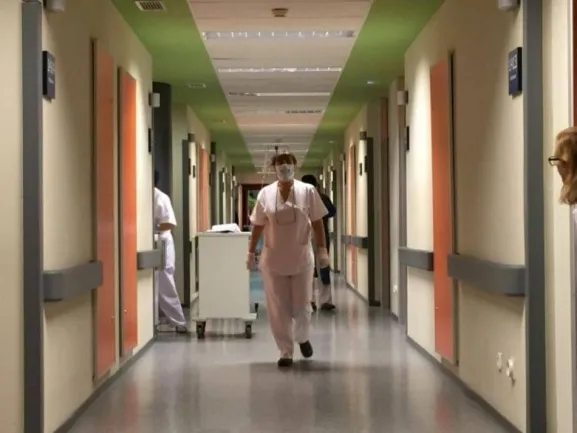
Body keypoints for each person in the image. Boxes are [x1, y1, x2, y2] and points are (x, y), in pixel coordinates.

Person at [247, 153, 330, 368]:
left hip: (301, 257)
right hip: (273, 259)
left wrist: (322, 250)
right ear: (273, 168)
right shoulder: (265, 193)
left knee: (302, 303)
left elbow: (317, 222)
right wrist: (250, 253)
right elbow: (257, 225)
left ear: (295, 165)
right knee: (278, 307)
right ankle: (285, 351)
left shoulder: (308, 191)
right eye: (280, 164)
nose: (284, 167)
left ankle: (302, 337)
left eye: (288, 163)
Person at [154, 171, 188, 333]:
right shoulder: (139, 195)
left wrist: (150, 227)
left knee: (165, 282)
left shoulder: (161, 197)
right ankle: (154, 321)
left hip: (161, 242)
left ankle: (178, 321)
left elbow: (169, 223)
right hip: (148, 242)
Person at [301, 174, 337, 312]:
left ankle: (319, 300)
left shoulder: (321, 198)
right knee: (311, 269)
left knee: (320, 267)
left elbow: (332, 211)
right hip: (306, 238)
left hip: (318, 237)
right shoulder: (300, 200)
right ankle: (314, 300)